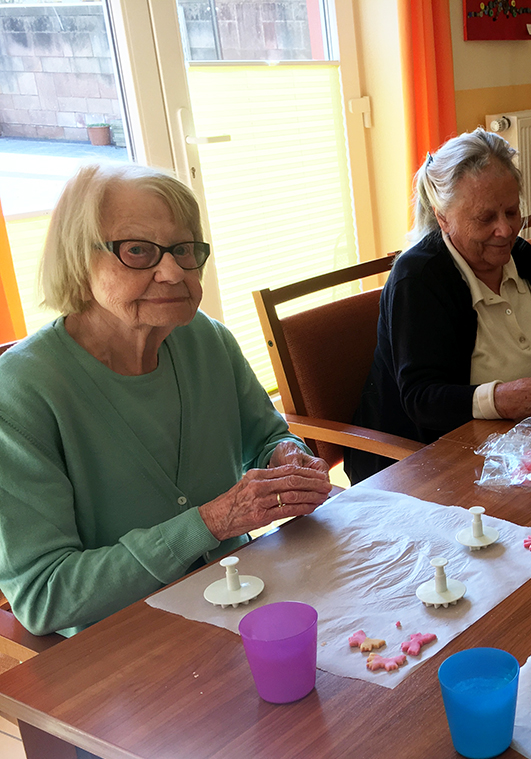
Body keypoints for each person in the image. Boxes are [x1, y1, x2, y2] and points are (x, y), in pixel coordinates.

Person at [0, 163, 332, 638]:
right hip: (123, 645)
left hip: (242, 597)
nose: (173, 272)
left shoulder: (208, 340)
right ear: (78, 257)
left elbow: (267, 436)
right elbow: (44, 595)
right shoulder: (20, 393)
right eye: (137, 250)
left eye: (184, 250)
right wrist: (210, 522)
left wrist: (288, 459)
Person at [346, 128, 531, 482]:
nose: (505, 230)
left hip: (522, 448)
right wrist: (505, 398)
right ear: (443, 217)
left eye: (511, 211)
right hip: (425, 465)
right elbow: (422, 400)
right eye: (485, 218)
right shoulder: (418, 277)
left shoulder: (517, 255)